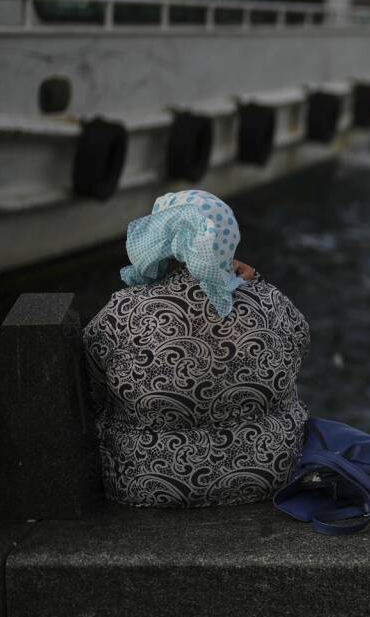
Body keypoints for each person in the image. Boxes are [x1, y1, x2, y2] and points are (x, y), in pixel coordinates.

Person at [83, 190, 309, 508]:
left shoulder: (123, 311)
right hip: (269, 475)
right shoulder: (269, 300)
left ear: (158, 239)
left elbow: (92, 384)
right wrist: (256, 284)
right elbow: (299, 344)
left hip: (145, 484)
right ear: (227, 238)